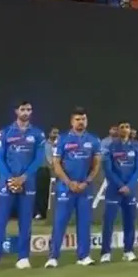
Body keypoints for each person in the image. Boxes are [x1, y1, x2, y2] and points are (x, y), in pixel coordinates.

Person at [0, 100, 45, 272]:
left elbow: (38, 158)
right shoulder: (5, 133)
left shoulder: (38, 134)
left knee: (26, 220)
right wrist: (11, 178)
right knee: (1, 220)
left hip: (28, 181)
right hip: (7, 181)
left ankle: (23, 257)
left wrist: (24, 177)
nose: (26, 112)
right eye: (23, 109)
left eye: (29, 109)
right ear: (16, 111)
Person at [45, 108, 101, 268]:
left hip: (84, 188)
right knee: (60, 222)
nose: (81, 122)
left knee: (84, 223)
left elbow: (96, 165)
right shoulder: (62, 139)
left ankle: (83, 256)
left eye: (83, 119)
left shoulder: (93, 140)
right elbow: (56, 164)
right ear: (72, 121)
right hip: (65, 187)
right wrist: (69, 183)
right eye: (77, 119)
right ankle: (53, 257)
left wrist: (86, 182)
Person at [100, 121, 138, 263]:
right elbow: (108, 169)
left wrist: (129, 185)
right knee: (109, 221)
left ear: (131, 130)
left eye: (127, 127)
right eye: (122, 127)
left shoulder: (136, 146)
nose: (125, 130)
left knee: (130, 221)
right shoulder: (110, 147)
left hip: (130, 189)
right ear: (117, 131)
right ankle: (106, 252)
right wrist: (119, 184)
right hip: (114, 189)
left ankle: (128, 251)